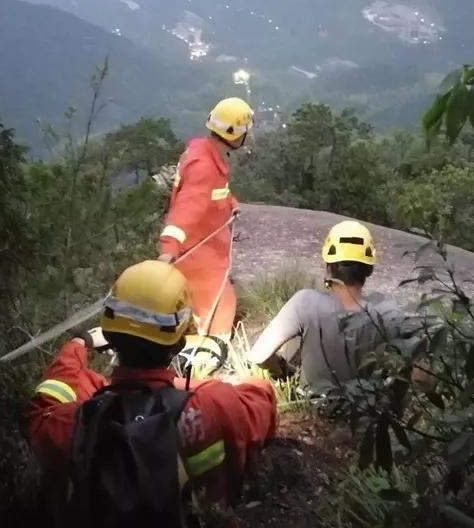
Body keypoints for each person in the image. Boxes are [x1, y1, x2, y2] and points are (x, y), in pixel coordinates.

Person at [27, 260, 277, 526]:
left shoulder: (70, 424)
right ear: (180, 342)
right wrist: (188, 386)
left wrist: (78, 343)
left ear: (110, 337)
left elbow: (47, 402)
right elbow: (262, 398)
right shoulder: (213, 405)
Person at [248, 220, 420, 395]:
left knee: (294, 344)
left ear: (329, 267)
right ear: (369, 270)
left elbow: (258, 355)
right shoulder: (388, 314)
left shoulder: (305, 302)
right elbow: (420, 377)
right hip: (366, 412)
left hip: (314, 406)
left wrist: (284, 372)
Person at [157, 98, 253, 350]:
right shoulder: (205, 167)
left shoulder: (202, 152)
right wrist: (169, 249)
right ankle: (206, 359)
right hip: (199, 255)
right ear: (235, 135)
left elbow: (213, 193)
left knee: (203, 307)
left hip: (202, 250)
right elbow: (186, 209)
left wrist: (230, 203)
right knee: (218, 309)